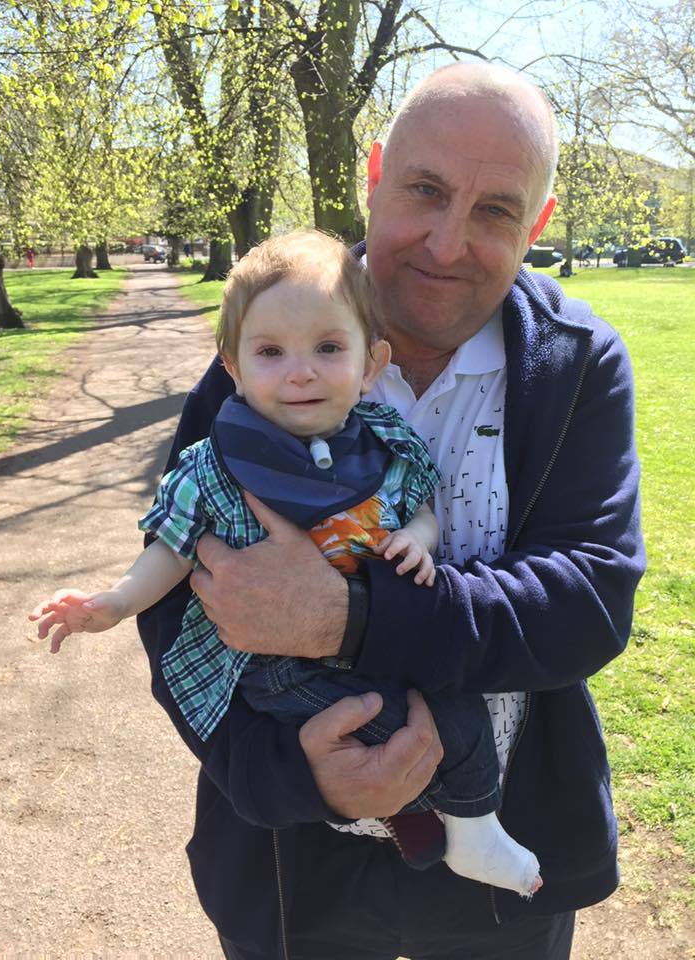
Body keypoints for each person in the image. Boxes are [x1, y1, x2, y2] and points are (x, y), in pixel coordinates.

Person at [137, 63, 645, 960]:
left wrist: (355, 616)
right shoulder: (269, 353)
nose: (447, 244)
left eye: (495, 211)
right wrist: (288, 776)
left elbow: (590, 601)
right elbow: (175, 613)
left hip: (504, 870)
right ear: (374, 173)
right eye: (425, 190)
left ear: (538, 224)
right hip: (292, 869)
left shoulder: (576, 368)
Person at [29, 229, 542, 898]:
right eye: (271, 352)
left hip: (383, 641)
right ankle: (472, 832)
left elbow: (421, 502)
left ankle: (418, 824)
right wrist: (111, 604)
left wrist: (419, 535)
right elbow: (173, 551)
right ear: (233, 368)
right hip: (274, 670)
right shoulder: (215, 465)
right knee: (441, 722)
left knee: (434, 708)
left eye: (328, 348)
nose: (300, 371)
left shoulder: (384, 445)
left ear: (369, 364)